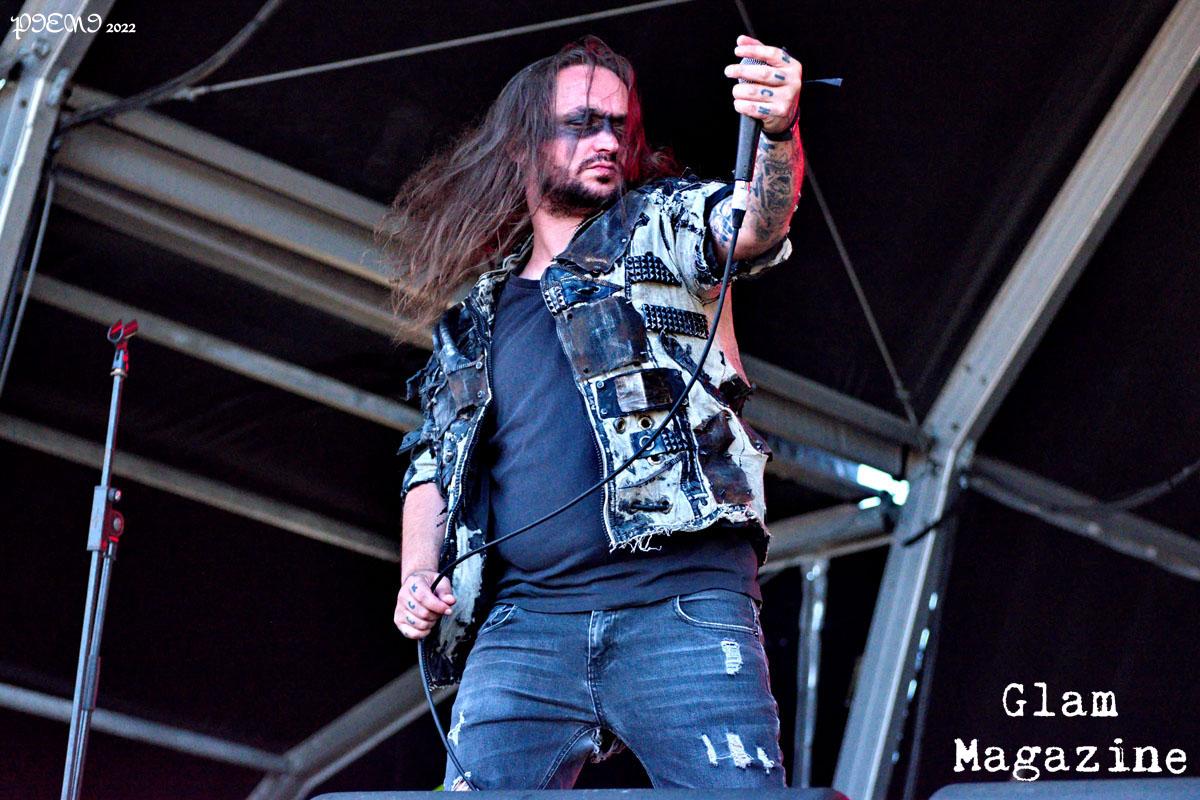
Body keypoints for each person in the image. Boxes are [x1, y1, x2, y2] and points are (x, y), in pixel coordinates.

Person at [381, 33, 804, 790]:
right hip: (524, 626)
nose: (607, 140)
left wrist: (778, 132)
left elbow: (751, 225)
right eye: (581, 123)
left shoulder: (659, 225)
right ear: (522, 146)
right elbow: (431, 461)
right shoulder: (472, 319)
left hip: (680, 603)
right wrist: (418, 574)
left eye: (616, 125)